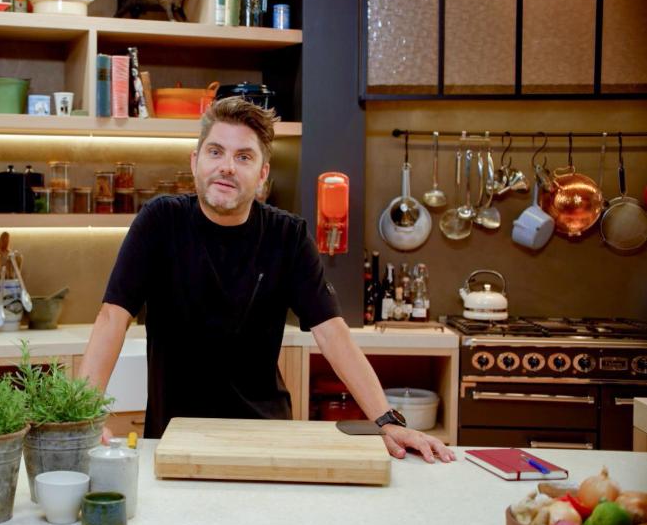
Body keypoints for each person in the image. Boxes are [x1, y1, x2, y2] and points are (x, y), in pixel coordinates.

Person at [76, 97, 454, 463]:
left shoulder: (287, 237)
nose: (227, 166)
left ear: (262, 174)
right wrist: (82, 416)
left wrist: (387, 421)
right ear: (195, 161)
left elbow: (332, 333)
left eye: (244, 157)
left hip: (265, 435)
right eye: (215, 152)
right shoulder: (160, 222)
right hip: (174, 435)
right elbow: (113, 317)